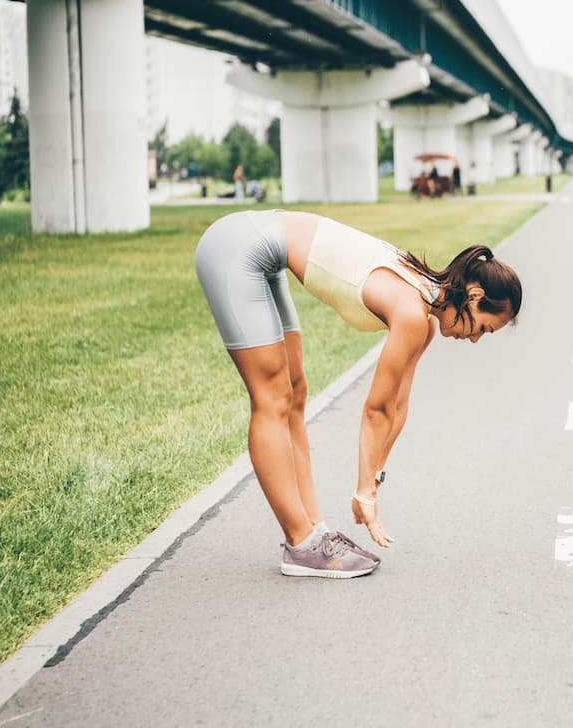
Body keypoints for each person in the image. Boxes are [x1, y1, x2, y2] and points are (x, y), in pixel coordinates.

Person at [195, 210, 522, 577]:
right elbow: (376, 410)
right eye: (482, 327)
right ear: (475, 295)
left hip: (263, 253)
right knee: (272, 397)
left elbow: (397, 406)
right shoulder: (413, 313)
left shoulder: (426, 317)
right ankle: (300, 542)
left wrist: (374, 480)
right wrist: (363, 491)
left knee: (295, 394)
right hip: (237, 247)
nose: (473, 338)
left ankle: (313, 530)